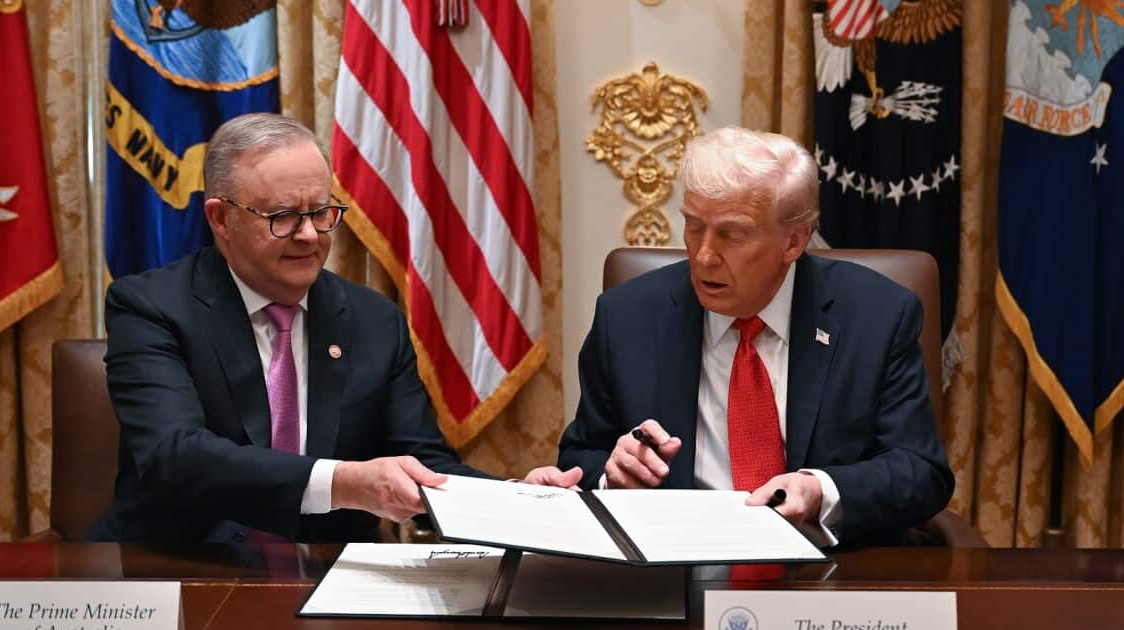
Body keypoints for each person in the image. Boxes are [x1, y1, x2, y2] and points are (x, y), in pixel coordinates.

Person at [89, 113, 578, 543]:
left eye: (321, 213)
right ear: (221, 218)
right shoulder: (151, 306)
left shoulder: (373, 319)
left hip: (331, 575)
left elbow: (422, 462)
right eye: (282, 217)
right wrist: (343, 483)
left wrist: (513, 502)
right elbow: (174, 455)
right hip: (184, 568)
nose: (309, 235)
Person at [558, 126, 953, 548]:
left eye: (732, 234)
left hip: (827, 573)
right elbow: (580, 457)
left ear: (794, 241)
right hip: (677, 567)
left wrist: (821, 490)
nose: (704, 255)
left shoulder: (877, 317)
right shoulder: (626, 317)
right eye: (694, 227)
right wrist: (613, 475)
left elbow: (920, 470)